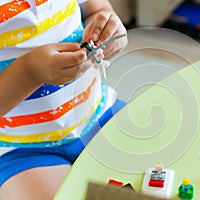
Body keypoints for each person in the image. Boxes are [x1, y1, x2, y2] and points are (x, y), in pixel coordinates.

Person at [0, 0, 127, 199]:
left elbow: (97, 8)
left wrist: (107, 25)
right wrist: (29, 71)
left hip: (100, 114)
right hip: (20, 150)